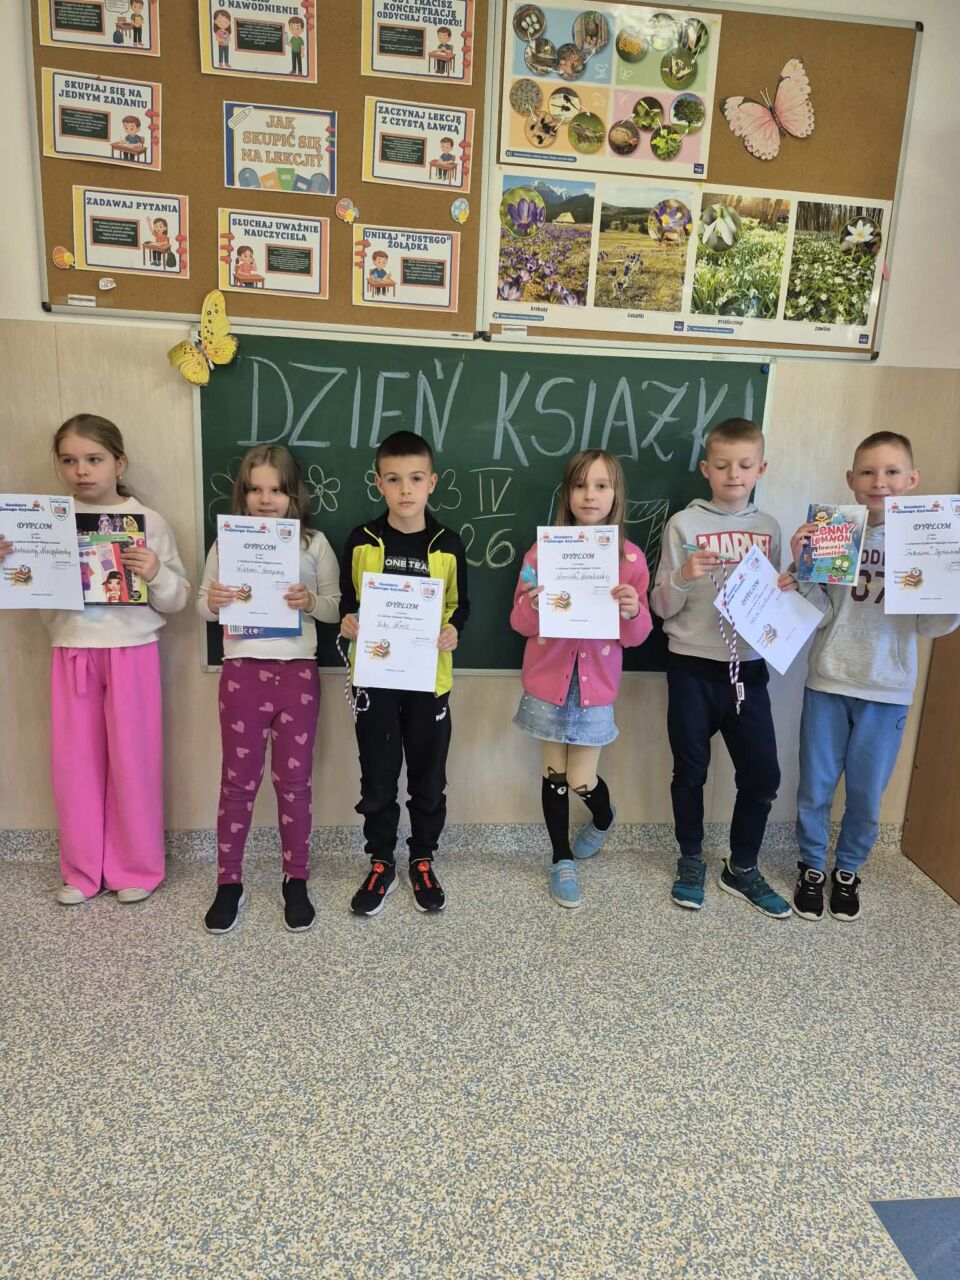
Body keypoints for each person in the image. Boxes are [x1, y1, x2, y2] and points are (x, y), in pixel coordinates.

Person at [0, 414, 189, 905]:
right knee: (74, 765)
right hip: (72, 650)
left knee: (134, 761)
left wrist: (156, 572)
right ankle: (82, 871)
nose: (81, 470)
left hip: (132, 652)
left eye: (93, 459)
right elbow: (26, 590)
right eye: (69, 460)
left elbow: (178, 599)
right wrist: (12, 564)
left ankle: (136, 868)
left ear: (118, 463)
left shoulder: (148, 521)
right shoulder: (45, 522)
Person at [789, 431, 960, 922]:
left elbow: (931, 626)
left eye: (891, 472)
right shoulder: (835, 532)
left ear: (912, 479)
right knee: (815, 787)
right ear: (851, 479)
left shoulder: (927, 539)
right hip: (828, 680)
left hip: (887, 688)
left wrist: (949, 586)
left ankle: (847, 869)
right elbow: (819, 614)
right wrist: (804, 569)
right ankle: (811, 866)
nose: (878, 481)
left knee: (866, 793)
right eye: (867, 472)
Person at [651, 417, 793, 916]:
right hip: (691, 666)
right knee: (690, 770)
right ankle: (691, 858)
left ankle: (742, 867)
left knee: (763, 776)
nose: (734, 474)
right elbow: (661, 606)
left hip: (748, 670)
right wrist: (683, 575)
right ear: (705, 468)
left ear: (761, 469)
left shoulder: (769, 528)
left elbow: (773, 606)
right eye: (723, 465)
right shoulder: (683, 525)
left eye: (745, 465)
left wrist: (788, 589)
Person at [197, 445, 340, 935]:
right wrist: (215, 601)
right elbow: (202, 606)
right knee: (237, 783)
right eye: (255, 489)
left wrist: (310, 600)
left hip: (298, 674)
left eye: (276, 490)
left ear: (293, 495)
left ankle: (295, 878)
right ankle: (229, 883)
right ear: (243, 494)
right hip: (241, 672)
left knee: (294, 784)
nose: (265, 499)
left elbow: (335, 607)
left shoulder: (314, 544)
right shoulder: (227, 543)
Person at [510, 450, 652, 908]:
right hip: (548, 683)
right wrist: (532, 604)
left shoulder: (630, 559)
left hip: (595, 687)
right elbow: (519, 623)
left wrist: (632, 610)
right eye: (580, 485)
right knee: (553, 774)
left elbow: (638, 635)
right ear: (567, 494)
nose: (590, 495)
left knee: (580, 777)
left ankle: (604, 816)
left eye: (601, 486)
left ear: (616, 494)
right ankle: (560, 857)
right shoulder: (542, 553)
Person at [339, 431, 468, 916]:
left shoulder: (447, 544)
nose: (405, 489)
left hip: (428, 683)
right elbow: (349, 601)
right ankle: (380, 861)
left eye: (415, 479)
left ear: (432, 482)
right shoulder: (361, 540)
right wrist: (348, 621)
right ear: (379, 484)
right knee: (377, 777)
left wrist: (453, 629)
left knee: (428, 778)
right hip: (375, 680)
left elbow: (459, 605)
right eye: (393, 480)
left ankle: (422, 857)